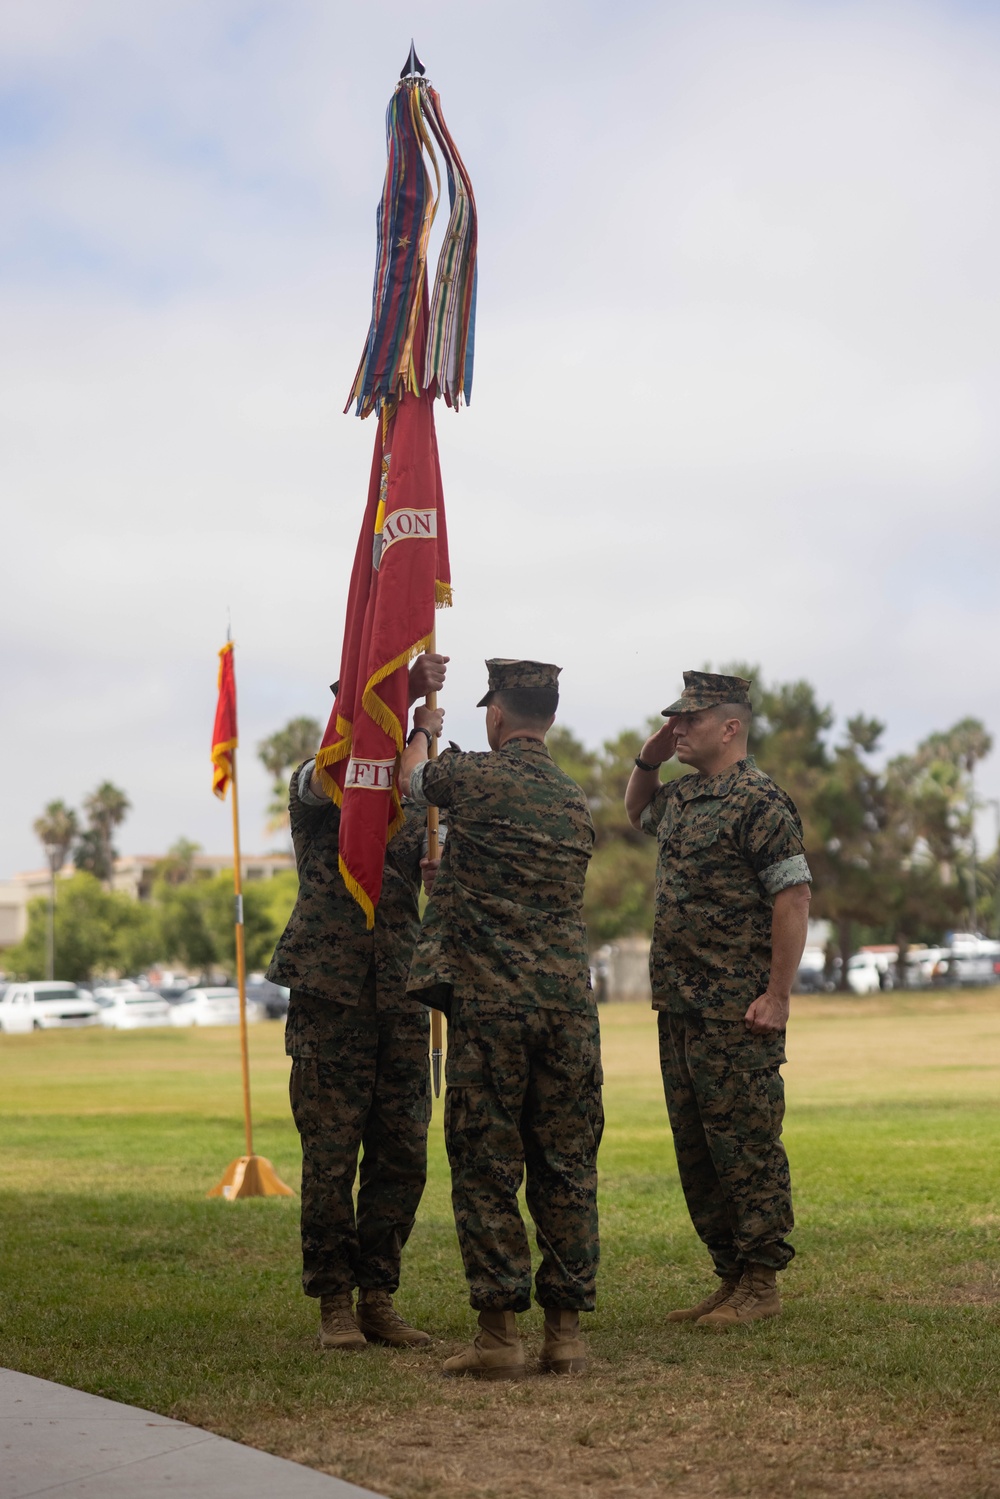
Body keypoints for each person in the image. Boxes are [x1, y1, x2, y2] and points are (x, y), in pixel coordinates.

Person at [399, 659, 604, 1381]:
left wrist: (422, 728)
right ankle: (567, 1335)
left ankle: (498, 1335)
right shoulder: (575, 801)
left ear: (495, 713)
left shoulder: (476, 778)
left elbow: (410, 780)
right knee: (567, 1165)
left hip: (493, 1009)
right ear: (547, 716)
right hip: (568, 1013)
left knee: (487, 1163)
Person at [267, 653, 447, 1352]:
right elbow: (339, 777)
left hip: (401, 989)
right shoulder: (319, 780)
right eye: (354, 705)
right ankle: (334, 1301)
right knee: (331, 1153)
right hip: (331, 993)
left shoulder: (415, 792)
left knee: (403, 1151)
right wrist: (418, 726)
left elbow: (438, 855)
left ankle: (379, 1295)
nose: (358, 717)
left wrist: (442, 862)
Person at [624, 671, 812, 1329]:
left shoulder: (760, 800)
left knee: (746, 1142)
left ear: (729, 727)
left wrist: (778, 995)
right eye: (674, 719)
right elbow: (635, 809)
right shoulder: (683, 797)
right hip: (680, 1002)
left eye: (691, 720)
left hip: (737, 1007)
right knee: (697, 1146)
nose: (679, 728)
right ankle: (730, 1276)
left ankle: (761, 1282)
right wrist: (648, 756)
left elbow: (793, 897)